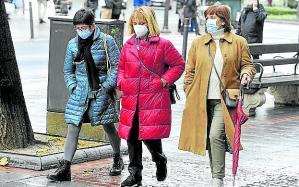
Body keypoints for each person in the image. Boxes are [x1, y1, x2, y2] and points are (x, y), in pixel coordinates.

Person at [178, 5, 256, 187]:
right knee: (210, 138)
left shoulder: (238, 42)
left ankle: (217, 179)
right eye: (208, 17)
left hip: (225, 99)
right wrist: (188, 89)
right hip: (201, 99)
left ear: (224, 20)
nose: (209, 20)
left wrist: (246, 74)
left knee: (215, 136)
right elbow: (189, 70)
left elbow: (248, 65)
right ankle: (216, 175)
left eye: (214, 16)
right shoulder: (198, 42)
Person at [47, 9, 124, 182]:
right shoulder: (73, 44)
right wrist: (73, 86)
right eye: (78, 28)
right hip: (80, 93)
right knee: (73, 127)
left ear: (92, 26)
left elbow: (117, 67)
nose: (81, 31)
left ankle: (117, 158)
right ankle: (65, 168)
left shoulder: (107, 41)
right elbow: (68, 70)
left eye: (84, 27)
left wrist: (105, 86)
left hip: (101, 92)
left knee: (109, 126)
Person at [117, 6, 185, 187]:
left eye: (142, 23)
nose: (138, 26)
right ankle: (134, 174)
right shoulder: (129, 45)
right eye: (136, 23)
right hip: (131, 98)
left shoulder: (163, 45)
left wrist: (163, 81)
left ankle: (159, 159)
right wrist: (121, 82)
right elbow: (121, 67)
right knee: (132, 135)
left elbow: (178, 65)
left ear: (150, 23)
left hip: (153, 98)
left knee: (150, 136)